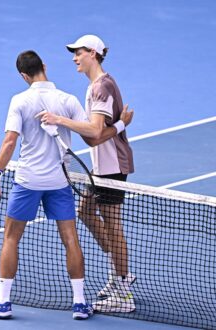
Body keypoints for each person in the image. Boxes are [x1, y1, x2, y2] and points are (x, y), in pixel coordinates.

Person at [0, 50, 114, 320]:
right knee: (70, 239)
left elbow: (9, 142)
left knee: (11, 238)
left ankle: (3, 302)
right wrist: (118, 126)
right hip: (59, 181)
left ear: (24, 76)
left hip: (28, 181)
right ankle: (80, 303)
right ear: (44, 67)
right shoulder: (68, 100)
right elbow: (91, 132)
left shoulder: (20, 100)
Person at [39, 34, 136, 313]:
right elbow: (95, 135)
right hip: (101, 166)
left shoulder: (100, 88)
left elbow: (94, 133)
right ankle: (120, 272)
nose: (74, 58)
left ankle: (123, 291)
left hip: (112, 167)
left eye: (78, 52)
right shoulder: (98, 85)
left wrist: (59, 120)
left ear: (93, 53)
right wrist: (119, 125)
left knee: (114, 226)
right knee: (84, 211)